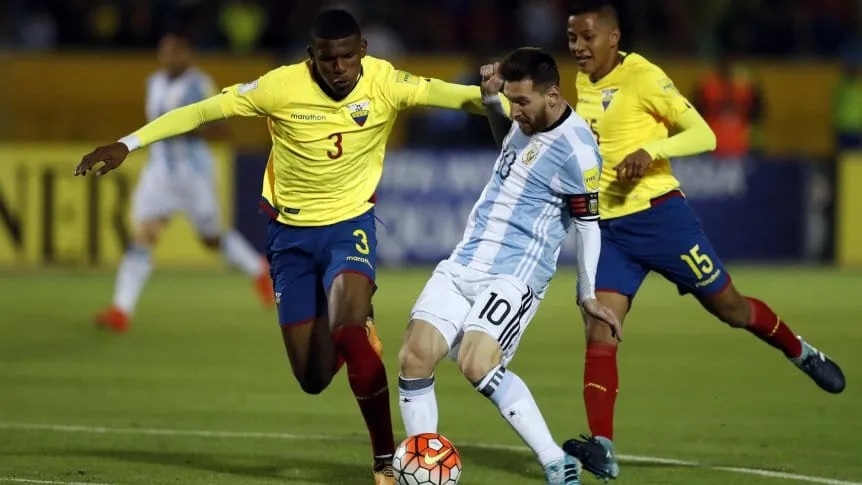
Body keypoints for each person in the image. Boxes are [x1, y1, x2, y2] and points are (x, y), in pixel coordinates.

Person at [74, 9, 498, 485]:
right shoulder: (280, 86)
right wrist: (128, 143)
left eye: (348, 57)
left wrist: (512, 101)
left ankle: (384, 461)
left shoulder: (385, 81)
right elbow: (203, 110)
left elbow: (459, 97)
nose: (339, 68)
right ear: (311, 56)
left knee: (351, 332)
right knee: (312, 378)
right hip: (290, 238)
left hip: (349, 228)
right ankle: (351, 331)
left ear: (362, 50)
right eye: (327, 59)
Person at [562, 1, 846, 481]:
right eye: (572, 37)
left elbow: (704, 135)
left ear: (613, 37)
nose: (578, 46)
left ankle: (799, 350)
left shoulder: (645, 76)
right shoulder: (583, 81)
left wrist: (651, 149)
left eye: (587, 37)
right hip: (610, 231)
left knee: (732, 309)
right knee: (599, 330)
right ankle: (602, 446)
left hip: (661, 219)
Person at [396, 47, 621, 485]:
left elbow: (588, 225)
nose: (515, 111)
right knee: (414, 355)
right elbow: (510, 147)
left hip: (515, 273)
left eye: (521, 102)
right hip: (465, 259)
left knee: (477, 363)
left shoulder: (577, 152)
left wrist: (587, 293)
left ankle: (556, 462)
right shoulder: (525, 121)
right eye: (510, 101)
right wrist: (489, 100)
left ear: (552, 95)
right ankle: (425, 469)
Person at [95, 30, 273, 333]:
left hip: (194, 175)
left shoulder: (199, 84)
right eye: (164, 51)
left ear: (188, 54)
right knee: (143, 235)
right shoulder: (154, 82)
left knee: (211, 238)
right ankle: (121, 310)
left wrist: (184, 126)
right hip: (159, 174)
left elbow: (221, 129)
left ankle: (259, 271)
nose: (169, 57)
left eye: (175, 51)